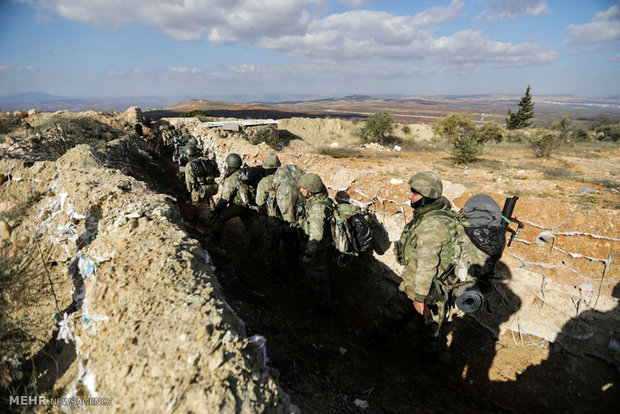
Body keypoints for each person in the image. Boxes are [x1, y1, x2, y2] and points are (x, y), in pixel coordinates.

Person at [394, 171, 459, 358]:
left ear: (428, 197)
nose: (409, 195)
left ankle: (426, 361)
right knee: (429, 327)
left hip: (423, 286)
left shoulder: (432, 226)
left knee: (428, 327)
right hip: (434, 284)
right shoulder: (438, 213)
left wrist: (419, 297)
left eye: (415, 193)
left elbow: (427, 264)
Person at [255, 153, 300, 282]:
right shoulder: (291, 177)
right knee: (290, 248)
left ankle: (276, 274)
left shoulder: (266, 182)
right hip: (292, 219)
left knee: (271, 248)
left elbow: (259, 201)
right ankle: (293, 273)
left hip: (274, 221)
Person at [297, 173, 334, 317]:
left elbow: (316, 236)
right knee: (315, 275)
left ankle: (324, 309)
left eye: (303, 188)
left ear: (310, 190)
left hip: (318, 249)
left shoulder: (318, 209)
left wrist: (308, 254)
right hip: (320, 247)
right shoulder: (320, 200)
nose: (301, 190)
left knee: (319, 277)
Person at [211, 153, 255, 243]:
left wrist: (217, 209)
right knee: (249, 224)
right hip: (249, 204)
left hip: (238, 205)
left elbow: (225, 198)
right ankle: (255, 243)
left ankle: (215, 240)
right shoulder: (244, 173)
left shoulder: (232, 179)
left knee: (221, 217)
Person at [184, 145, 220, 221]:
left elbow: (188, 179)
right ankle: (214, 214)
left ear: (188, 156)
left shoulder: (189, 166)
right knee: (210, 200)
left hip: (197, 187)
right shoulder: (205, 160)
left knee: (195, 202)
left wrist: (189, 188)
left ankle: (195, 218)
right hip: (208, 185)